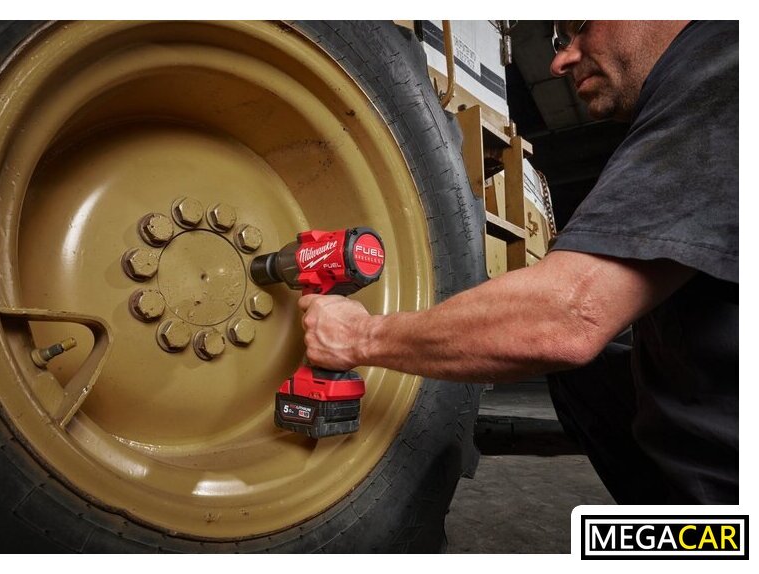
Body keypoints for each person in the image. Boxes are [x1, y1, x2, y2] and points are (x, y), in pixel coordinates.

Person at [298, 21, 738, 504]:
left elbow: (570, 314)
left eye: (579, 30)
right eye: (560, 41)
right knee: (589, 378)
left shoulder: (727, 68)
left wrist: (360, 336)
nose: (560, 60)